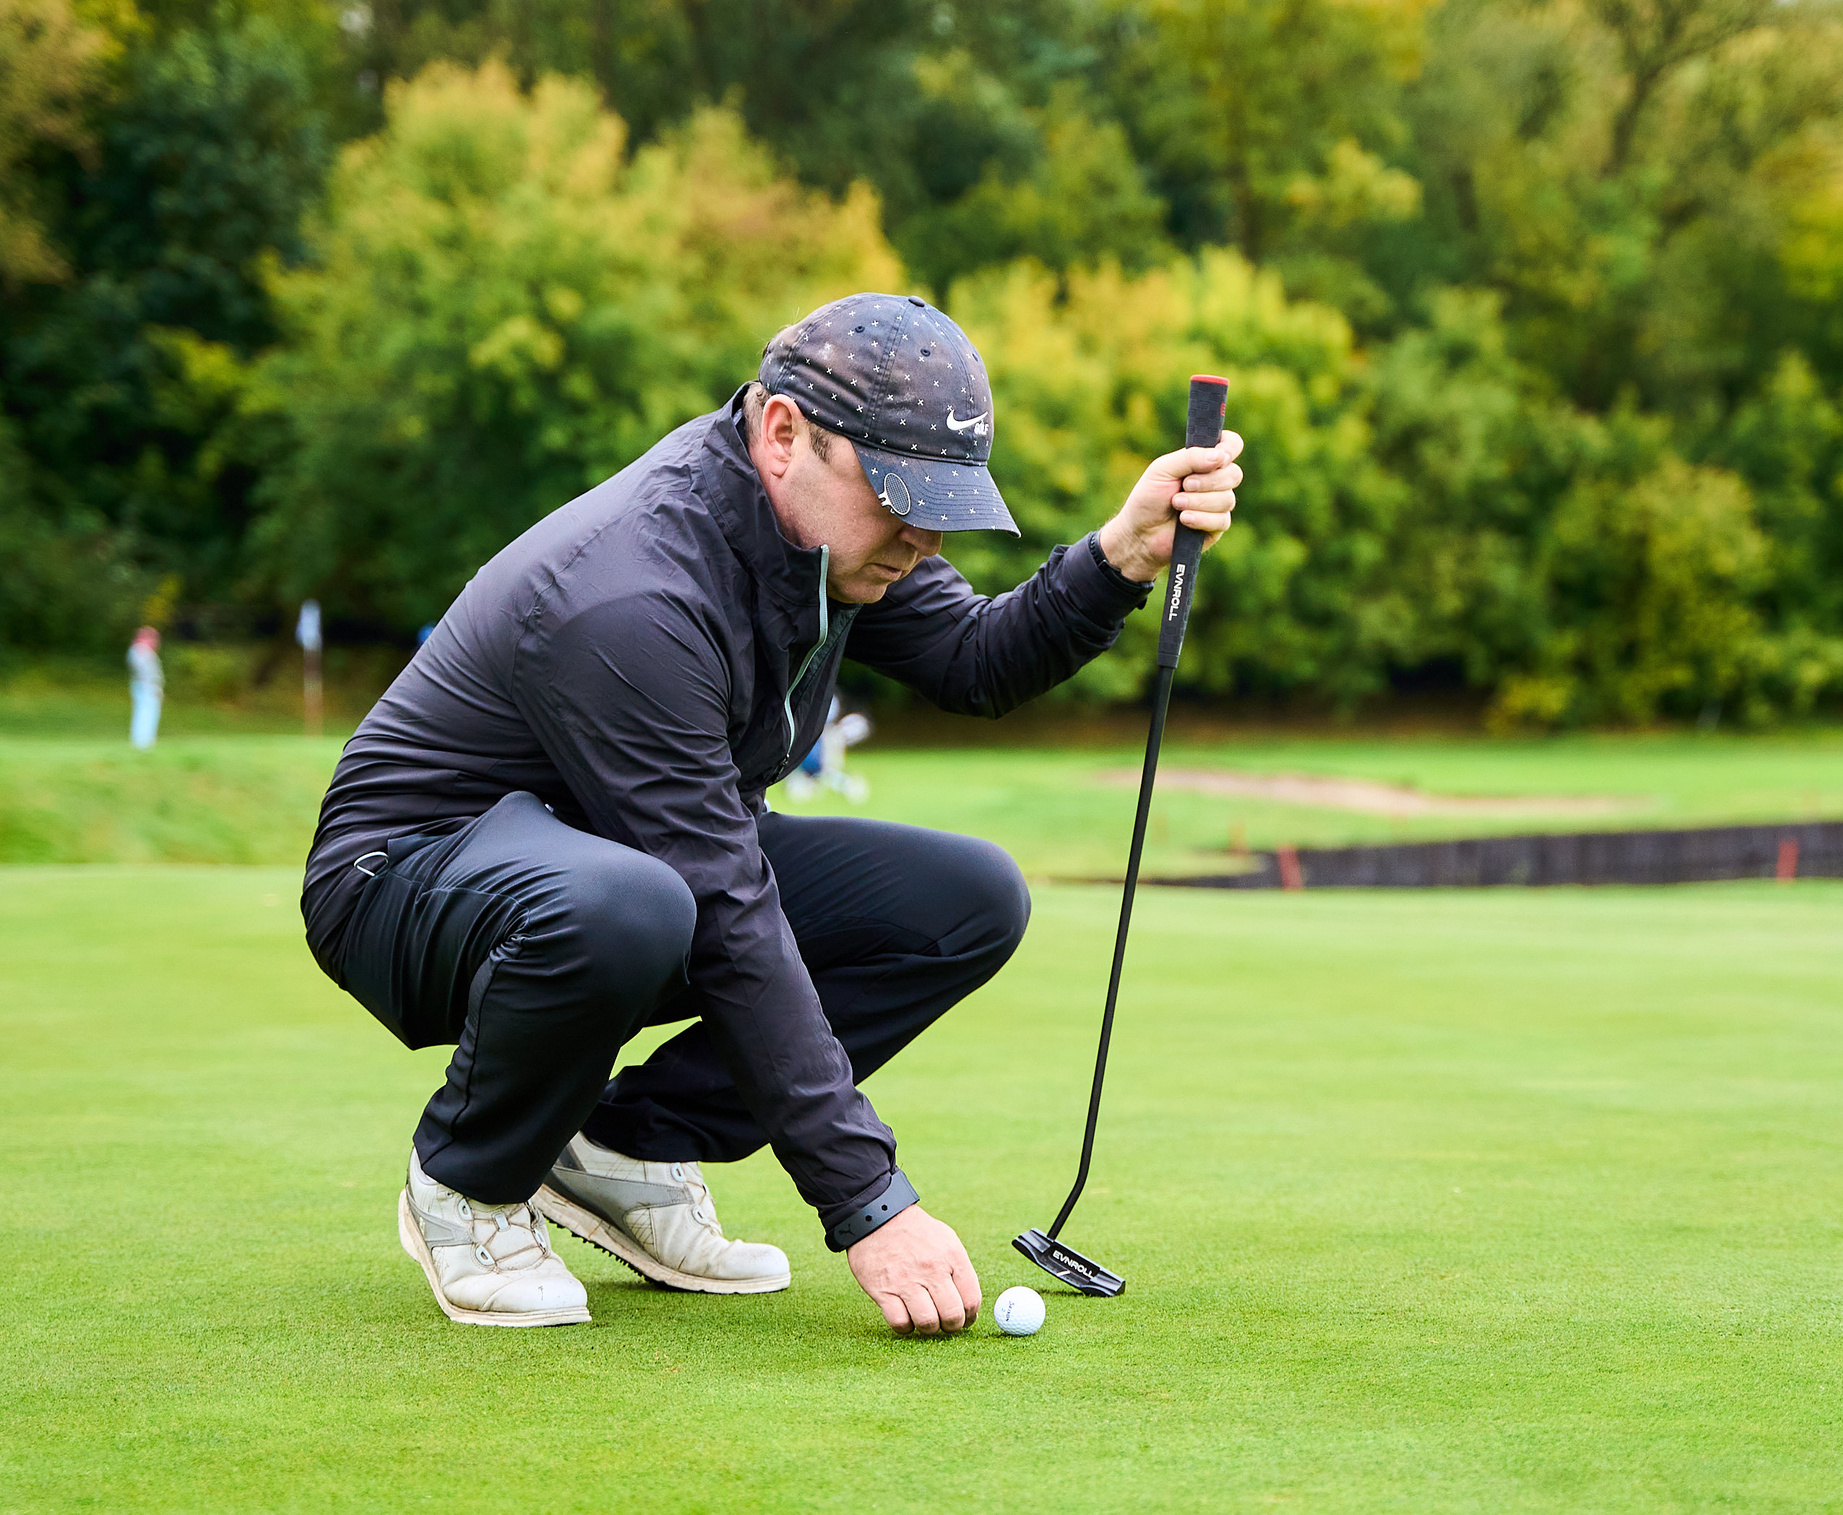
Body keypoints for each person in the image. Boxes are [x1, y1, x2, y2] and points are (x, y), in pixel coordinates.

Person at [298, 293, 1244, 1335]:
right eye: (897, 498)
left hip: (625, 868)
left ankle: (623, 1149)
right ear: (784, 433)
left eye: (939, 504)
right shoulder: (636, 592)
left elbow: (972, 661)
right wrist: (868, 1201)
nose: (923, 536)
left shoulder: (826, 548)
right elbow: (723, 908)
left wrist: (1118, 556)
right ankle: (469, 1182)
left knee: (966, 901)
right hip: (407, 879)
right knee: (642, 902)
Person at [126, 626, 163, 749]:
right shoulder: (141, 650)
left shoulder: (140, 650)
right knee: (145, 712)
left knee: (147, 712)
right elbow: (146, 671)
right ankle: (143, 741)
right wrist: (153, 686)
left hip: (144, 685)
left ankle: (144, 740)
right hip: (146, 686)